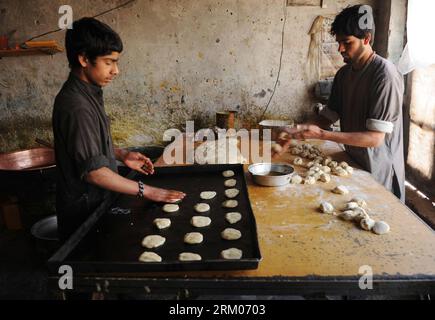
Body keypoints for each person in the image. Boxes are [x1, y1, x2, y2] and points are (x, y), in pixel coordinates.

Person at [52, 17, 185, 241]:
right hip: (84, 216)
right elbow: (95, 173)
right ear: (84, 59)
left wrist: (122, 154)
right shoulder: (76, 106)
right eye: (109, 62)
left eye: (116, 62)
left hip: (98, 203)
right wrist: (149, 191)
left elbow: (88, 145)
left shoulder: (89, 92)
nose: (116, 71)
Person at [277, 5, 405, 202]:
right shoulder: (344, 74)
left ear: (367, 39)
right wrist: (297, 130)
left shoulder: (385, 76)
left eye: (347, 42)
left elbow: (375, 139)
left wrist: (322, 135)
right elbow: (327, 116)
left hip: (379, 169)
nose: (340, 49)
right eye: (339, 42)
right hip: (353, 161)